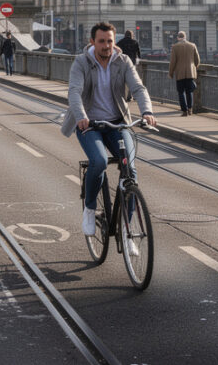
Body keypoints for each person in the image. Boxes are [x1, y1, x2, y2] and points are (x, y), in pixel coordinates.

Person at [60, 22, 156, 239]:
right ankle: (90, 209)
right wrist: (81, 116)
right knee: (99, 162)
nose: (106, 46)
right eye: (101, 41)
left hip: (117, 123)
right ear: (92, 42)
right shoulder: (81, 62)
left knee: (130, 171)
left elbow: (138, 88)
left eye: (110, 41)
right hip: (89, 125)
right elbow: (74, 91)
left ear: (114, 41)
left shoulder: (123, 61)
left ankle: (126, 228)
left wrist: (147, 111)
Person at [168, 31, 200, 116]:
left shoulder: (175, 47)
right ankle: (190, 109)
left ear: (178, 38)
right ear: (185, 37)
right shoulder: (192, 45)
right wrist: (194, 67)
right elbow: (197, 60)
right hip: (190, 72)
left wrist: (171, 72)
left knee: (181, 92)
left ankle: (184, 111)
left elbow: (173, 62)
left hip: (180, 73)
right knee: (189, 92)